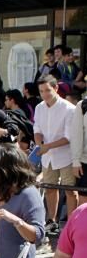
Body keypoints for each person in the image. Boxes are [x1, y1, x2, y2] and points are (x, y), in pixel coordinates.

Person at [34, 74, 77, 234]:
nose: (44, 94)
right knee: (50, 188)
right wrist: (39, 144)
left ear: (56, 88)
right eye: (41, 91)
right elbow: (37, 129)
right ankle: (52, 221)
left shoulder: (69, 108)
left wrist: (47, 147)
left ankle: (72, 224)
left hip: (66, 156)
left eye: (47, 90)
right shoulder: (39, 107)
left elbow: (68, 137)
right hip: (47, 156)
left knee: (70, 190)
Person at [70, 96, 87, 205]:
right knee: (84, 199)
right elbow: (76, 135)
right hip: (85, 161)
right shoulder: (82, 105)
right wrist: (76, 160)